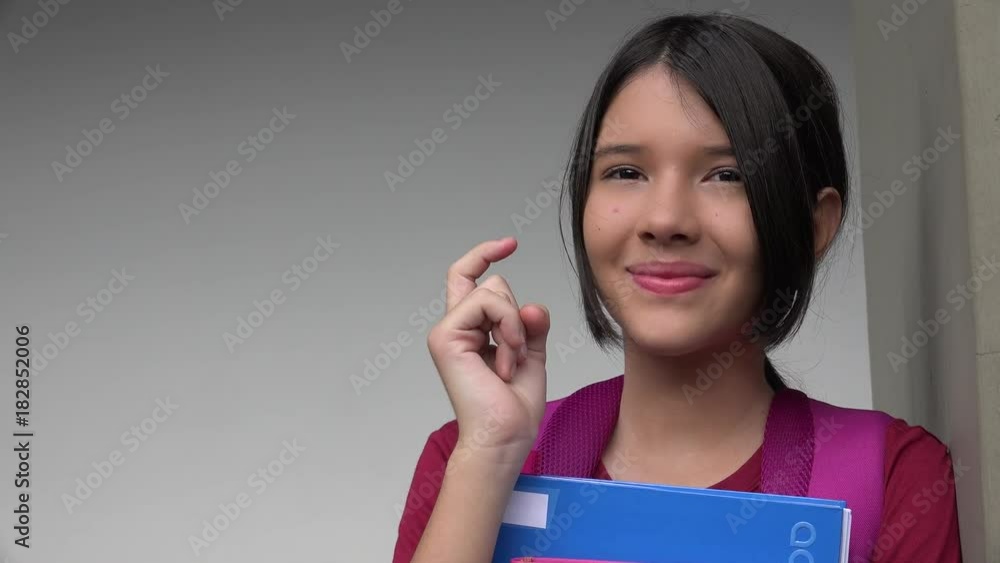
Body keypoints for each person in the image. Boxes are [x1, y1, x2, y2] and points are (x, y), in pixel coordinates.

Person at [392, 11, 962, 563]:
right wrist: (490, 452)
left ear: (814, 225)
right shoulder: (470, 457)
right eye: (626, 172)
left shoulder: (892, 476)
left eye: (727, 175)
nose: (665, 220)